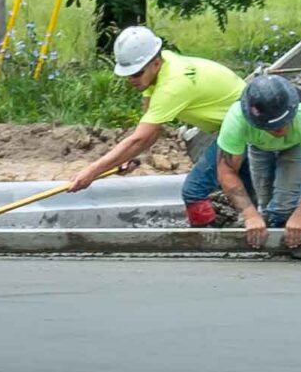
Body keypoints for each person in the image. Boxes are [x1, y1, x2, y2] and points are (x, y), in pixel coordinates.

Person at [68, 26, 246, 226]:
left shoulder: (173, 85)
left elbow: (140, 138)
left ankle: (209, 240)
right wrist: (128, 158)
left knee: (195, 191)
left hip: (245, 127)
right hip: (232, 126)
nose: (131, 80)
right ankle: (250, 227)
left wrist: (92, 172)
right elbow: (149, 130)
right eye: (128, 74)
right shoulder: (157, 70)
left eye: (136, 73)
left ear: (155, 63)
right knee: (248, 189)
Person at [215, 74, 301, 248]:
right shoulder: (237, 119)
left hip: (295, 145)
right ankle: (268, 237)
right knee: (264, 205)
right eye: (273, 127)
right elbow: (226, 171)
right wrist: (250, 215)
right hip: (259, 145)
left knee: (283, 206)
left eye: (284, 123)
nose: (280, 130)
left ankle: (287, 239)